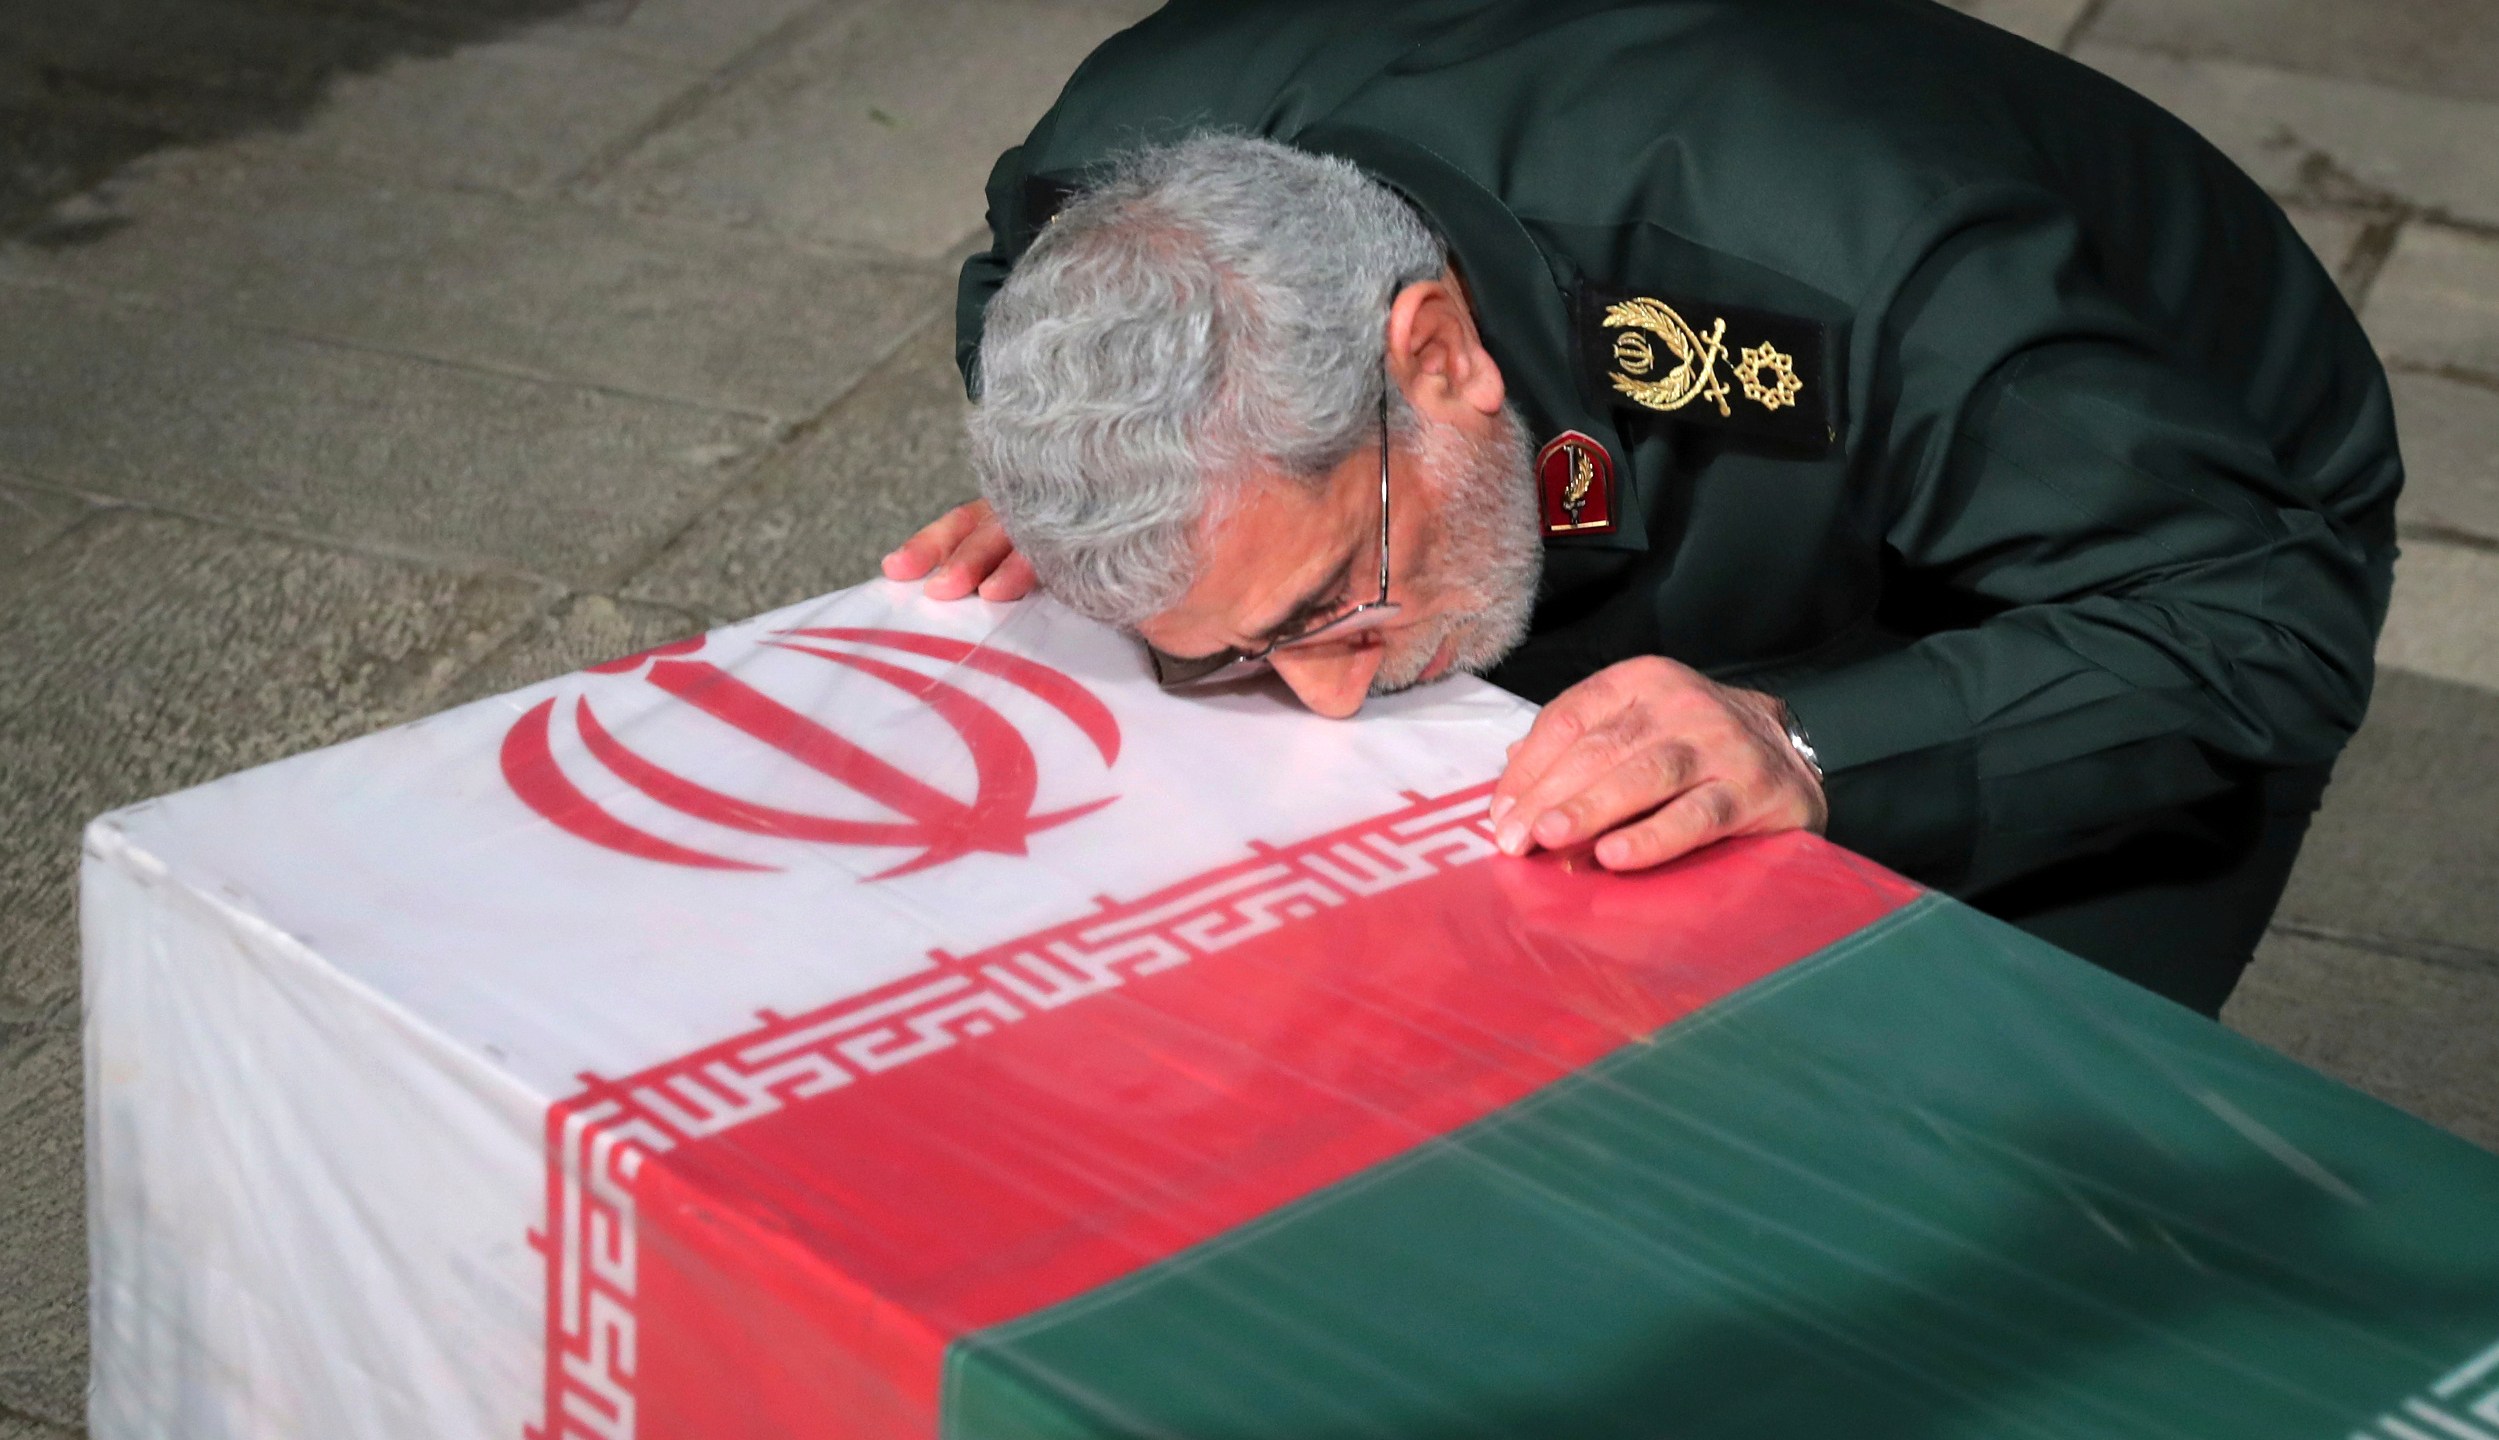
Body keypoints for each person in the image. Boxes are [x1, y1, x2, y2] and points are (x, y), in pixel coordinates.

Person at [883, 0, 2401, 1016]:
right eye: (1237, 647)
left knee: (1968, 1161)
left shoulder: (1891, 278)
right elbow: (1006, 296)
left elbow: (2262, 625)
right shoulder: (1098, 174)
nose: (1329, 699)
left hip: (2150, 513)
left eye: (1328, 602)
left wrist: (1813, 747)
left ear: (1433, 354)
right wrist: (1139, 538)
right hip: (1637, 413)